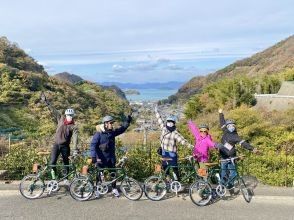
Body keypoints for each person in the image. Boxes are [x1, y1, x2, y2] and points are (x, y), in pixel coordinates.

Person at [90, 114, 132, 197]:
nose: (112, 125)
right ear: (105, 124)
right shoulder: (99, 134)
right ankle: (97, 190)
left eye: (112, 123)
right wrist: (93, 156)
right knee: (99, 174)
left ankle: (114, 189)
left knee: (113, 173)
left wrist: (127, 121)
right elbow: (93, 145)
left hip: (111, 157)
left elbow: (122, 129)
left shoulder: (112, 132)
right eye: (110, 123)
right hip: (101, 158)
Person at [40, 92, 79, 180]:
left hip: (65, 146)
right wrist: (46, 101)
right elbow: (52, 109)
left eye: (71, 115)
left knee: (66, 163)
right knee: (52, 162)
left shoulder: (74, 126)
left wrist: (75, 149)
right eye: (68, 115)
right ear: (65, 115)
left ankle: (65, 179)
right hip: (56, 145)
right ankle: (54, 179)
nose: (69, 117)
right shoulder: (60, 118)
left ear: (73, 116)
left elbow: (75, 138)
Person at [218, 108, 258, 189]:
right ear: (227, 126)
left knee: (233, 173)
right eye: (229, 125)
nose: (231, 127)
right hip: (223, 156)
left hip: (232, 157)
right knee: (223, 173)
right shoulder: (225, 131)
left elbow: (244, 143)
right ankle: (221, 187)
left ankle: (230, 185)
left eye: (233, 125)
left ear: (235, 126)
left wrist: (252, 149)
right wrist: (221, 113)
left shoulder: (235, 136)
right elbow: (222, 122)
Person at [155, 105, 193, 181]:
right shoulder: (165, 129)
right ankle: (170, 182)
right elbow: (159, 120)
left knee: (173, 169)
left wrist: (190, 146)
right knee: (167, 168)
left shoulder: (173, 132)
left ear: (174, 123)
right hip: (165, 152)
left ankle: (175, 183)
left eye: (171, 122)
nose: (170, 123)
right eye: (169, 121)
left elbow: (182, 140)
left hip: (170, 153)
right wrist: (156, 111)